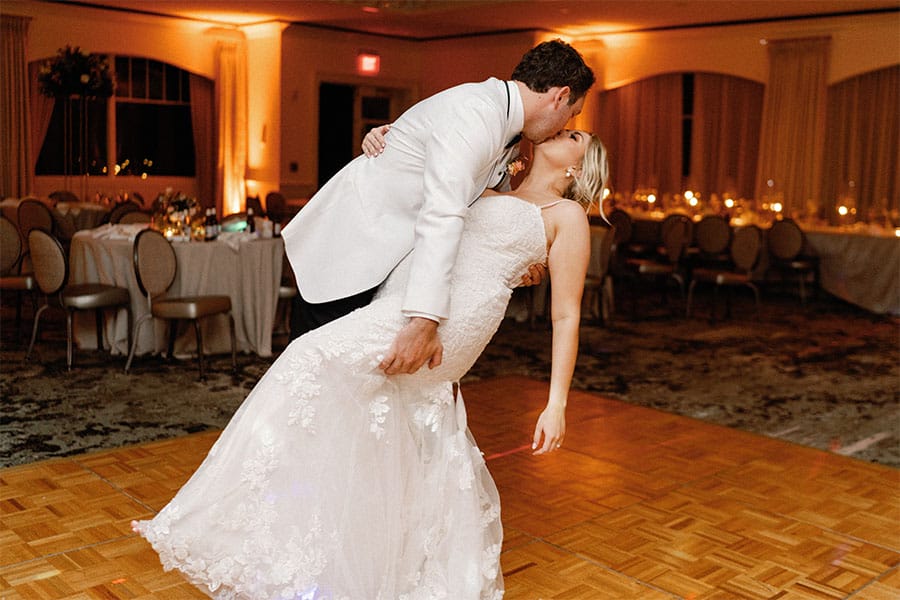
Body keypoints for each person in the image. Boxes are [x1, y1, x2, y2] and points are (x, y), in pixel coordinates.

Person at [132, 127, 609, 599]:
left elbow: (566, 314)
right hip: (406, 300)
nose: (563, 131)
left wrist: (556, 403)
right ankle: (352, 563)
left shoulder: (566, 216)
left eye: (575, 137)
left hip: (452, 322)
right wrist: (382, 139)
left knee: (309, 355)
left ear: (577, 168)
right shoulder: (490, 185)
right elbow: (425, 175)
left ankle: (235, 522)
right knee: (383, 428)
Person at [282, 39, 595, 377]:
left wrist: (519, 255)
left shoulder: (506, 130)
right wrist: (424, 319)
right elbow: (443, 212)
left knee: (354, 390)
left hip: (392, 267)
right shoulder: (475, 112)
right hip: (350, 254)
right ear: (559, 97)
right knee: (313, 379)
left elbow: (484, 210)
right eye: (571, 116)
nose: (564, 127)